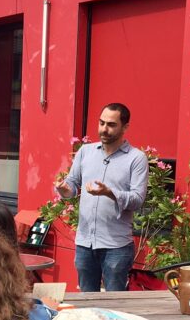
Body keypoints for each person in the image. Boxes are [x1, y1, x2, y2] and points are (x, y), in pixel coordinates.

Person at [55, 103, 148, 292]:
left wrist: (110, 193)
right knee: (87, 304)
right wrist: (65, 189)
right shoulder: (85, 152)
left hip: (116, 246)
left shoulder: (136, 158)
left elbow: (138, 199)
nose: (104, 129)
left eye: (111, 125)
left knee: (115, 307)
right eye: (101, 123)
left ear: (125, 127)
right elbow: (72, 184)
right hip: (84, 242)